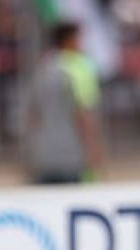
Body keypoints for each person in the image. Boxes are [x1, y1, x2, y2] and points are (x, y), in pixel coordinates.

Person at [24, 22, 104, 184]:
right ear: (68, 40)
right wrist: (94, 148)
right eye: (79, 38)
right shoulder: (79, 68)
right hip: (72, 155)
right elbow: (83, 113)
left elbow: (32, 114)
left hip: (43, 155)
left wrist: (31, 151)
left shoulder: (43, 68)